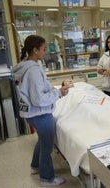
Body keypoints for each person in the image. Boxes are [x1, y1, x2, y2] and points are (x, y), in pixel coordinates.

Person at [12, 35, 69, 187]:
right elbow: (39, 99)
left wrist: (52, 89)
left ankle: (35, 166)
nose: (45, 52)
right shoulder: (33, 70)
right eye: (43, 49)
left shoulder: (25, 65)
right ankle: (47, 178)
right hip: (40, 114)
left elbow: (36, 91)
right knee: (47, 147)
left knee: (42, 141)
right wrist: (58, 93)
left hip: (33, 114)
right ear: (35, 50)